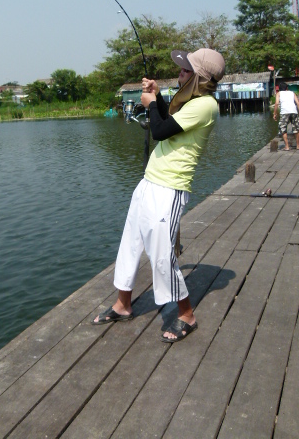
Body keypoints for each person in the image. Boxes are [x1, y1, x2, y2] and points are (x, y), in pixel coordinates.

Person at [92, 48, 225, 343]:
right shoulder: (190, 102)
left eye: (185, 70)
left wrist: (150, 103)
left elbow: (161, 130)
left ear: (199, 78)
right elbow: (170, 120)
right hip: (149, 182)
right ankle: (123, 304)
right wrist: (158, 98)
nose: (179, 73)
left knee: (162, 255)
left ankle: (187, 314)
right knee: (131, 242)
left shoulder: (205, 104)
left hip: (170, 188)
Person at [273, 82, 299, 150]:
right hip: (294, 112)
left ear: (279, 89)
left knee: (283, 129)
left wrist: (275, 114)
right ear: (287, 88)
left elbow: (276, 104)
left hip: (284, 112)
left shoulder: (279, 93)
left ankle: (287, 146)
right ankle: (298, 145)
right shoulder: (292, 93)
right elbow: (298, 103)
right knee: (296, 128)